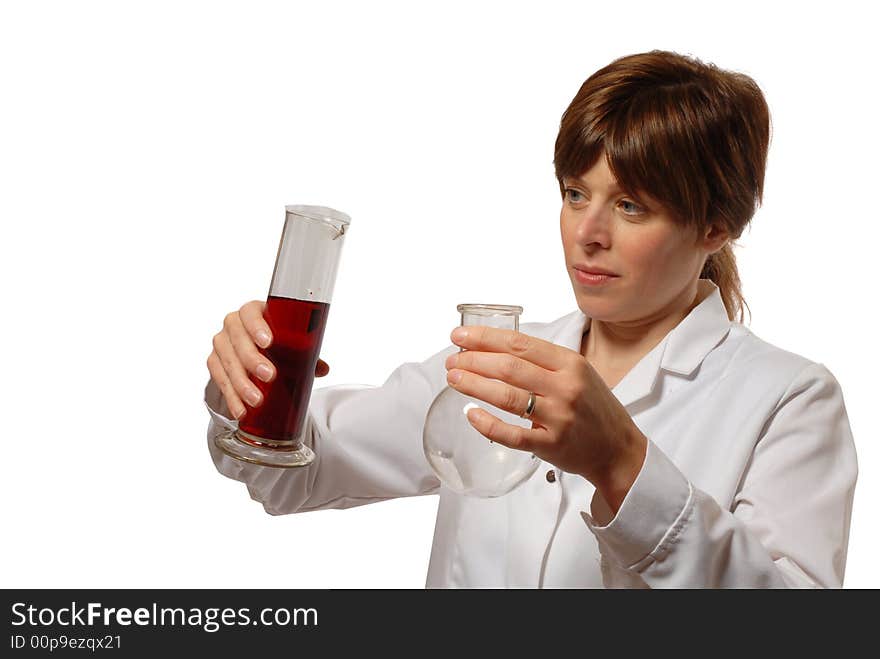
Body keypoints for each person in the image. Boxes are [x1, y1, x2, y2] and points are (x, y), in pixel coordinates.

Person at [204, 49, 858, 588]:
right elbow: (297, 474)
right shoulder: (498, 361)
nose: (588, 233)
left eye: (631, 205)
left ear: (716, 224)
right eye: (575, 193)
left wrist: (623, 463)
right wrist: (252, 392)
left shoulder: (789, 400)